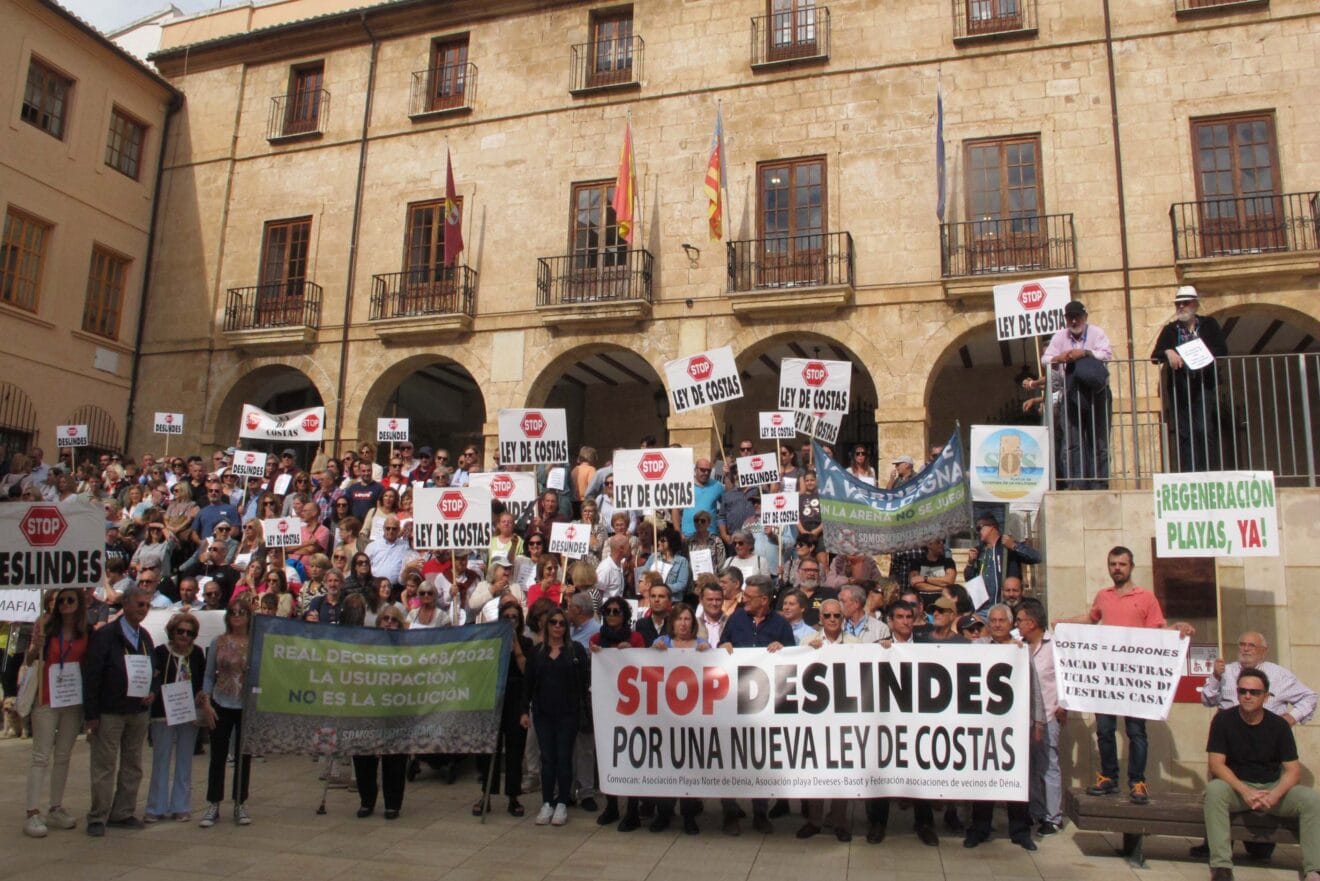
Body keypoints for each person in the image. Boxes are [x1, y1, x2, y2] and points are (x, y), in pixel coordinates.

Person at [1057, 545, 1195, 805]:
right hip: (1106, 676)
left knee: (1136, 732)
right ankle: (1108, 777)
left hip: (1135, 678)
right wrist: (1064, 625)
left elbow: (1158, 631)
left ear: (1131, 566)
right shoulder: (1103, 596)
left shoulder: (1146, 598)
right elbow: (1091, 619)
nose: (1117, 569)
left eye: (1121, 564)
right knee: (1105, 730)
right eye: (1113, 564)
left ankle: (1137, 782)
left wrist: (1177, 628)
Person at [1203, 667, 1320, 881]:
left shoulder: (1279, 726)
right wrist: (1245, 791)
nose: (1247, 696)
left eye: (1254, 692)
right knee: (1214, 790)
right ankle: (1221, 867)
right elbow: (1216, 765)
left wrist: (1274, 795)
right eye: (1242, 691)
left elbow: (1293, 771)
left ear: (1266, 697)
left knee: (1311, 799)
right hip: (1236, 789)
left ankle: (1314, 869)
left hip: (1271, 789)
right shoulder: (1223, 720)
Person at [718, 575, 794, 835]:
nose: (744, 600)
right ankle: (729, 812)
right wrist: (724, 645)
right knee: (729, 758)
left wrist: (782, 649)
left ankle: (760, 813)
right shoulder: (736, 618)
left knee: (761, 758)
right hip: (733, 700)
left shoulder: (781, 624)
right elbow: (721, 646)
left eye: (749, 597)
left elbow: (793, 661)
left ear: (764, 600)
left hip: (765, 704)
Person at [82, 583, 156, 837]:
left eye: (146, 605)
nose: (143, 609)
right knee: (104, 765)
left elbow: (153, 671)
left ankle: (122, 812)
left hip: (138, 710)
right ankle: (97, 816)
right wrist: (91, 715)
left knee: (133, 764)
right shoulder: (106, 635)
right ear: (125, 604)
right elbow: (92, 674)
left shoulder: (145, 636)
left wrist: (152, 691)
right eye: (139, 604)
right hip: (109, 711)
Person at [23, 588, 89, 838]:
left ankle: (55, 807)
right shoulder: (46, 628)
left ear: (79, 603)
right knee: (40, 756)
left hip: (72, 700)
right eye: (60, 601)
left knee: (63, 756)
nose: (65, 604)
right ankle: (32, 812)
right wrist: (35, 648)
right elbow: (29, 661)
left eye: (70, 600)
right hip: (46, 699)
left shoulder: (86, 632)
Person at [521, 607, 590, 828]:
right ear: (547, 625)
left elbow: (584, 682)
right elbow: (528, 683)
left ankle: (562, 802)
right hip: (543, 713)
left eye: (562, 623)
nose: (558, 627)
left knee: (563, 758)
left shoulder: (575, 650)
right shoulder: (537, 652)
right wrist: (524, 711)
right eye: (554, 622)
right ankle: (547, 802)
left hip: (568, 713)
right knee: (547, 758)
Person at [1151, 286, 1230, 472]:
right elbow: (1155, 355)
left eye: (1185, 303)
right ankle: (1189, 471)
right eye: (1178, 304)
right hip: (1180, 386)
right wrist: (1168, 351)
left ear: (1195, 304)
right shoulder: (1171, 329)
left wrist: (1199, 352)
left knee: (1204, 428)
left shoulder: (1208, 324)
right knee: (1185, 431)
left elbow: (1221, 349)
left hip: (1204, 384)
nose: (1181, 307)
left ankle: (1207, 471)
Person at [1041, 299, 1114, 488]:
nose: (1074, 321)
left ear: (1085, 317)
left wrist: (1085, 353)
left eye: (1077, 317)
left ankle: (1100, 484)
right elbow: (1045, 359)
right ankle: (1076, 483)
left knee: (1099, 441)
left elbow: (1107, 354)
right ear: (1066, 319)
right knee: (1072, 442)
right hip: (1071, 393)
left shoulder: (1097, 333)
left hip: (1097, 394)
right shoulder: (1060, 337)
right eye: (1070, 318)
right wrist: (1059, 357)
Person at [591, 596, 646, 831]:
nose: (612, 615)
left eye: (617, 611)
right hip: (606, 706)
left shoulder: (635, 638)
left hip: (632, 707)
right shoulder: (596, 640)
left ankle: (632, 810)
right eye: (609, 611)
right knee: (608, 755)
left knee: (633, 756)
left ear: (625, 615)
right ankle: (611, 805)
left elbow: (645, 665)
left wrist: (631, 651)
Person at [350, 607, 409, 820]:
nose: (389, 622)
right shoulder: (367, 648)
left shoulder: (408, 651)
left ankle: (393, 803)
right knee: (363, 757)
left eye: (394, 620)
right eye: (385, 619)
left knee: (395, 760)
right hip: (368, 709)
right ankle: (366, 800)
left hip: (396, 711)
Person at [146, 612, 205, 823]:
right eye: (180, 631)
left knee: (185, 760)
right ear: (172, 631)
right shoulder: (161, 652)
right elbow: (153, 679)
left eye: (189, 633)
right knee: (161, 759)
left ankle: (181, 805)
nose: (184, 636)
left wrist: (201, 700)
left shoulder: (197, 653)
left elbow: (202, 681)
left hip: (188, 712)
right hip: (163, 712)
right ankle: (156, 807)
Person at [198, 601, 253, 828]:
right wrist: (207, 701)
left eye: (242, 612)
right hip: (221, 701)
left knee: (243, 756)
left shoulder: (255, 643)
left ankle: (240, 802)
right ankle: (214, 802)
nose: (237, 616)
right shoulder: (218, 642)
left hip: (245, 705)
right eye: (233, 612)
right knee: (218, 755)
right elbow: (209, 674)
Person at [474, 599, 530, 818]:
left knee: (515, 749)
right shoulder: (491, 643)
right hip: (494, 698)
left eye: (514, 617)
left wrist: (516, 648)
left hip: (516, 698)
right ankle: (486, 793)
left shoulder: (526, 642)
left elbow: (527, 672)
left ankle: (513, 796)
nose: (510, 621)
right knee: (490, 749)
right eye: (507, 617)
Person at [965, 513, 1041, 610]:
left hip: (1005, 607)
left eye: (980, 528)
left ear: (991, 527)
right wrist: (970, 563)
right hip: (983, 608)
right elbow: (969, 579)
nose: (978, 532)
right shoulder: (979, 551)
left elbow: (1036, 557)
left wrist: (1014, 546)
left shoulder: (1007, 546)